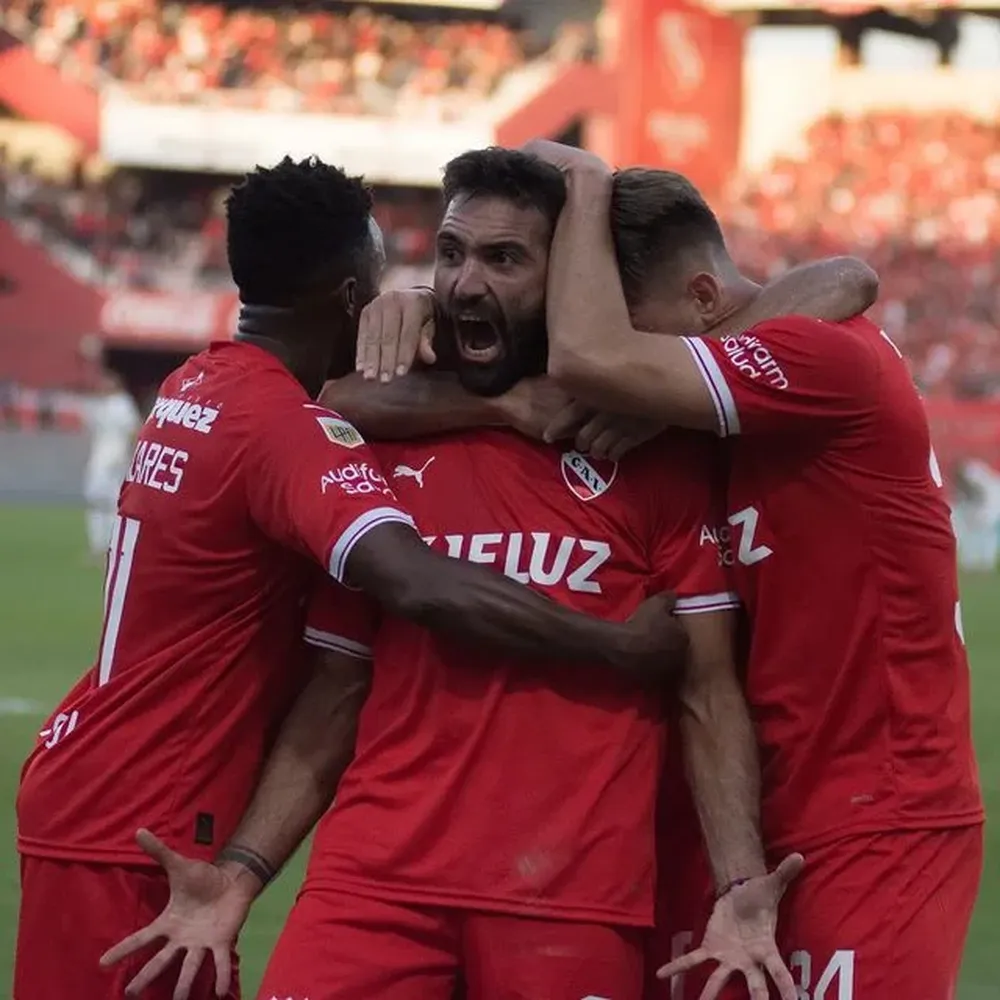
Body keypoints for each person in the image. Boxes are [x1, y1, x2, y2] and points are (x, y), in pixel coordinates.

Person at [100, 147, 796, 1000]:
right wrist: (241, 874)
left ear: (573, 281)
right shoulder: (379, 447)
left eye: (505, 259)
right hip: (372, 887)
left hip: (570, 902)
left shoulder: (647, 450)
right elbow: (336, 690)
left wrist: (739, 889)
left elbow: (707, 689)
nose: (467, 283)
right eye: (453, 254)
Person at [368, 140, 978, 1000]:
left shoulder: (824, 362)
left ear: (698, 302)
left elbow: (838, 281)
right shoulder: (696, 420)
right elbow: (345, 395)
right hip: (719, 817)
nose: (620, 387)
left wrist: (585, 180)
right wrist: (413, 307)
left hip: (871, 813)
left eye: (631, 336)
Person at [81, 367, 140, 559]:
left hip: (115, 460)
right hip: (99, 459)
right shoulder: (102, 405)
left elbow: (134, 430)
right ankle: (98, 545)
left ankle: (112, 545)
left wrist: (131, 456)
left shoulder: (123, 405)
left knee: (111, 502)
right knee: (95, 500)